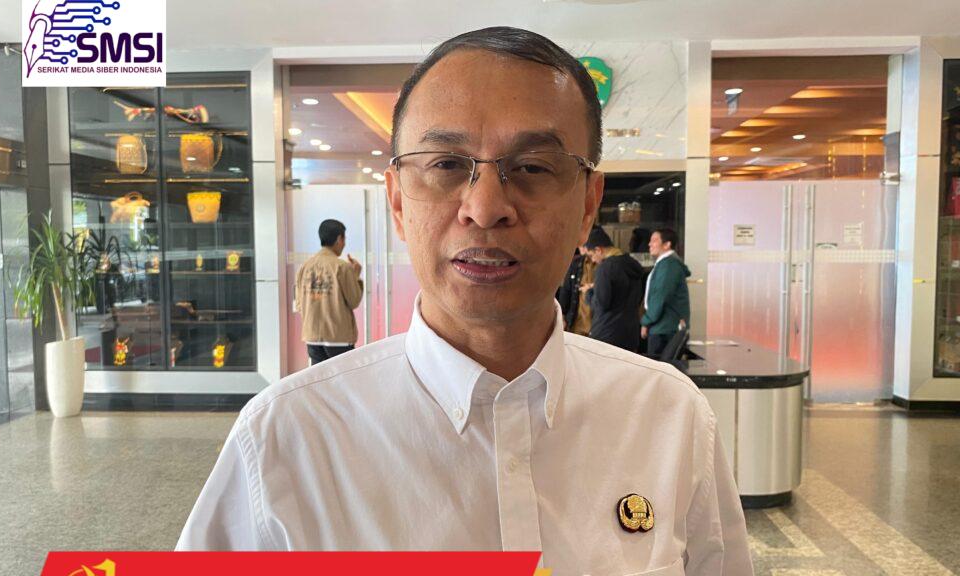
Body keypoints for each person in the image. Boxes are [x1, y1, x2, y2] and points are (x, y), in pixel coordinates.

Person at [178, 27, 751, 576]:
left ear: (587, 204)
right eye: (447, 165)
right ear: (398, 202)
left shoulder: (668, 416)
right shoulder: (284, 440)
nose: (485, 208)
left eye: (532, 167)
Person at [293, 219, 363, 365]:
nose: (344, 244)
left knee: (320, 377)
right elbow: (354, 300)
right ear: (339, 239)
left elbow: (299, 304)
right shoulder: (342, 267)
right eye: (344, 239)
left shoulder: (304, 267)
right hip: (338, 337)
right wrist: (356, 275)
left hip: (312, 336)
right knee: (342, 377)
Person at [581, 225, 644, 352]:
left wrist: (588, 292)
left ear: (598, 250)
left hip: (607, 334)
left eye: (591, 255)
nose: (593, 260)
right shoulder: (632, 265)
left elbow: (601, 304)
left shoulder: (605, 268)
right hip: (630, 334)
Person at [640, 228, 691, 358]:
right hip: (662, 326)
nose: (649, 244)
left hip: (664, 329)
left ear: (667, 244)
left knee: (658, 366)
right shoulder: (665, 264)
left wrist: (646, 321)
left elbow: (660, 296)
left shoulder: (668, 265)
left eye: (654, 240)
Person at [556, 246, 595, 335]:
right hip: (577, 320)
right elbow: (566, 290)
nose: (581, 248)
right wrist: (562, 315)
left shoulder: (604, 265)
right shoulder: (576, 263)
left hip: (596, 323)